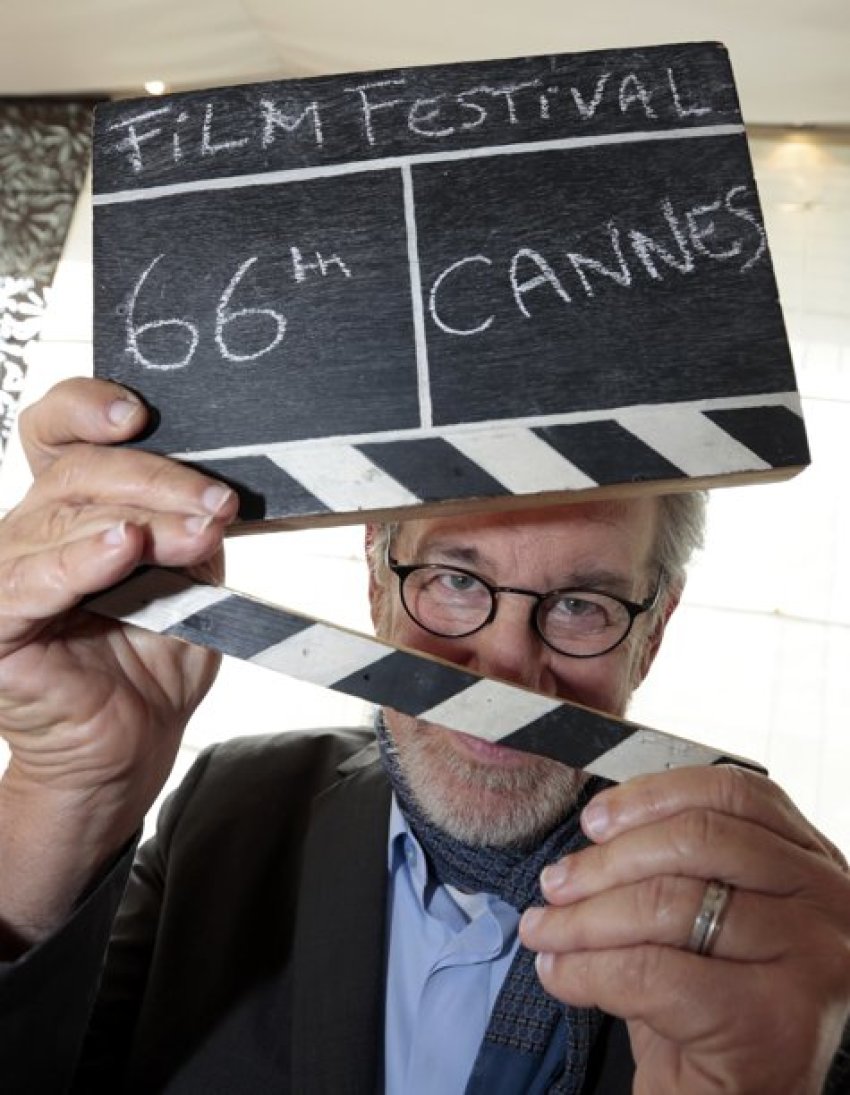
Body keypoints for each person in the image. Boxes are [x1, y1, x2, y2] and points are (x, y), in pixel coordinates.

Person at [0, 377, 848, 1094]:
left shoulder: (770, 942)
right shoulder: (229, 807)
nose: (506, 668)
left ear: (651, 634)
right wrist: (64, 786)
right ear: (377, 579)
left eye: (583, 604)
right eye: (453, 578)